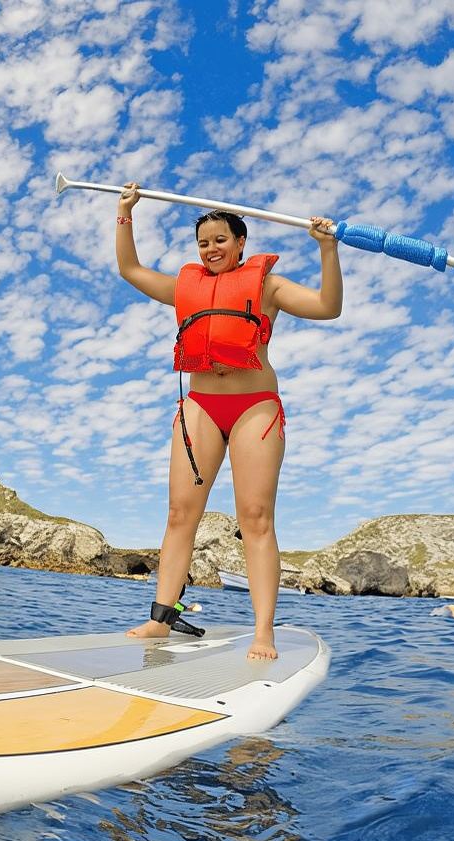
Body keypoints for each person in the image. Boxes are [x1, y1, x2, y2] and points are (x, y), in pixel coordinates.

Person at [115, 183, 343, 660]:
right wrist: (126, 213)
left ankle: (263, 632)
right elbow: (130, 269)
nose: (211, 249)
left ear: (241, 242)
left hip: (254, 407)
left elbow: (328, 307)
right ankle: (161, 619)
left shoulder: (268, 286)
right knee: (180, 514)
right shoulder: (185, 287)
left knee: (255, 517)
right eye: (203, 243)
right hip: (200, 405)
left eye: (220, 240)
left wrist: (327, 249)